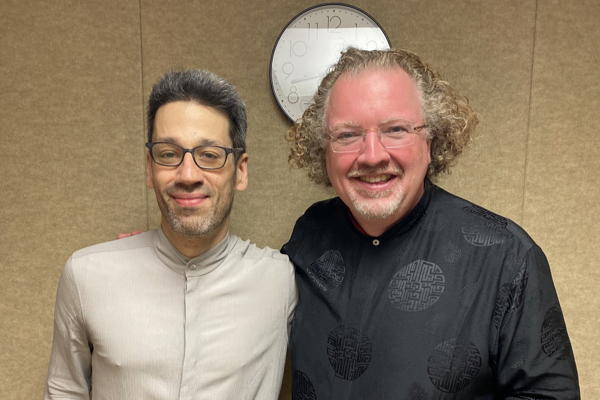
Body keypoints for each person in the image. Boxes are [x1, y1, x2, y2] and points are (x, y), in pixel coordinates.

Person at [283, 48, 579, 399]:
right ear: (324, 148)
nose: (373, 155)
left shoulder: (506, 256)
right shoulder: (309, 234)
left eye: (396, 130)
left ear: (432, 139)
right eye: (347, 135)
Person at [44, 70, 296, 399]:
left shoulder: (283, 281)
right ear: (150, 168)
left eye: (210, 155)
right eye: (168, 154)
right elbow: (65, 391)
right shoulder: (87, 275)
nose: (188, 175)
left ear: (241, 171)